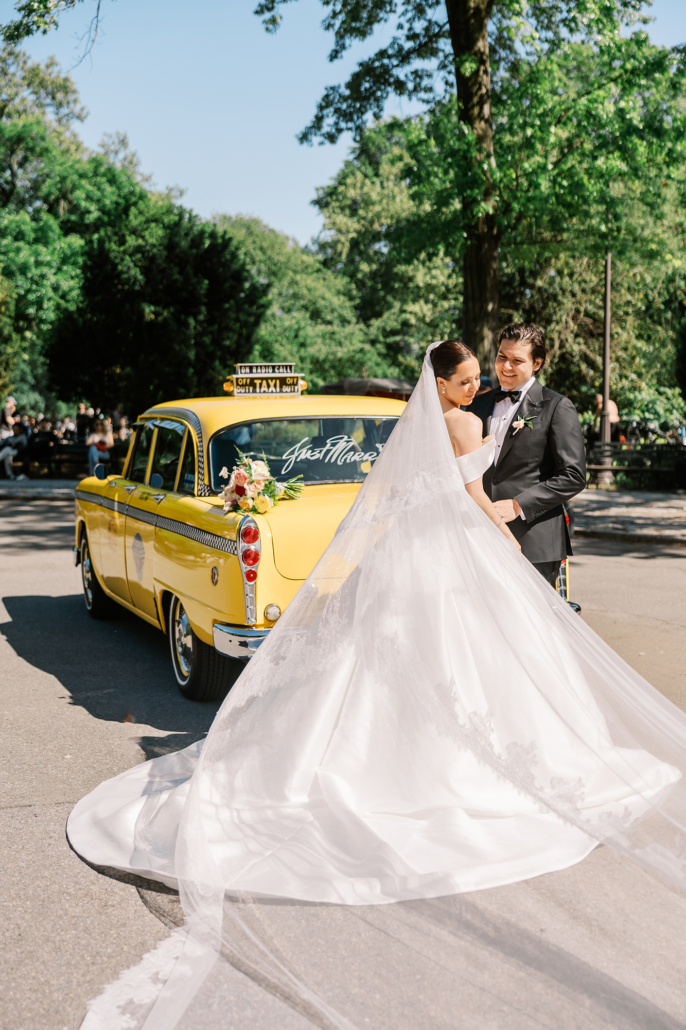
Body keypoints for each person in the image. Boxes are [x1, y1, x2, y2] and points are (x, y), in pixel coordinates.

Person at [67, 340, 686, 1030]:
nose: (480, 385)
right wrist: (503, 537)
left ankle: (383, 755)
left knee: (392, 662)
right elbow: (473, 495)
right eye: (470, 378)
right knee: (469, 658)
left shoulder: (412, 427)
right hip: (458, 550)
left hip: (413, 555)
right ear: (445, 384)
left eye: (485, 375)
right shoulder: (466, 422)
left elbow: (393, 496)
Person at [471, 323, 586, 587]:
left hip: (533, 542)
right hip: (480, 537)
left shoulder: (557, 406)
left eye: (517, 360)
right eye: (502, 356)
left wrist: (518, 505)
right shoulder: (478, 405)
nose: (506, 366)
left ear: (537, 363)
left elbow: (574, 475)